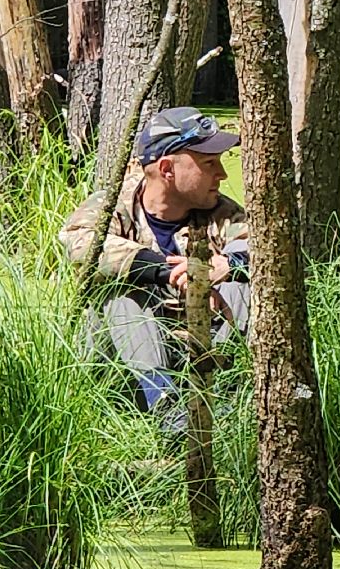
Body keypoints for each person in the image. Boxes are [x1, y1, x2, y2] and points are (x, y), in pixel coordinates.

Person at [60, 106, 250, 419]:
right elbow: (80, 244)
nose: (222, 174)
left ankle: (226, 397)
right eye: (208, 163)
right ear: (167, 169)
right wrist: (165, 270)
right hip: (126, 362)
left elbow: (263, 248)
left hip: (199, 346)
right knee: (120, 290)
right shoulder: (115, 205)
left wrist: (227, 266)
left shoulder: (222, 212)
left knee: (244, 286)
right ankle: (166, 408)